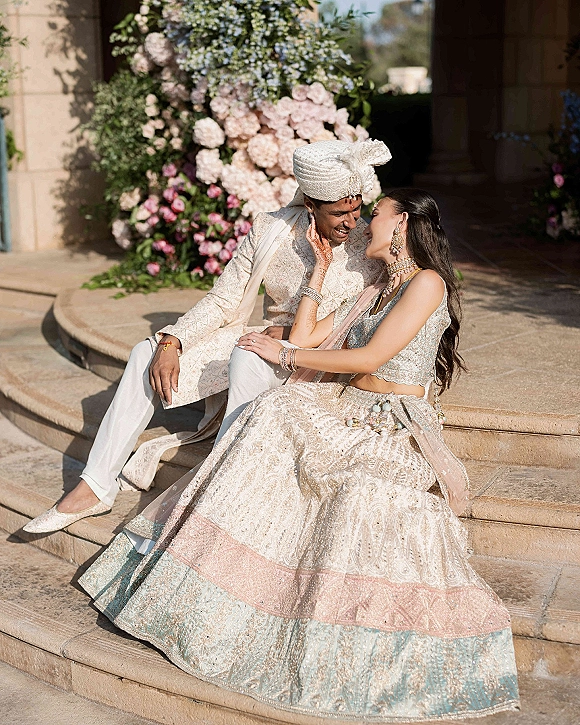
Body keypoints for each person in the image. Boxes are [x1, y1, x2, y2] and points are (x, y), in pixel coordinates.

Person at [78, 188, 519, 722]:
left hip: (390, 426)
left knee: (355, 488)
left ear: (401, 223)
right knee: (272, 413)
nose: (364, 225)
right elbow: (313, 336)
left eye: (374, 215)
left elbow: (373, 355)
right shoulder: (378, 287)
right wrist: (319, 271)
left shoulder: (426, 283)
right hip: (346, 407)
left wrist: (285, 351)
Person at [24, 139, 390, 534]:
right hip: (260, 341)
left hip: (314, 359)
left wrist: (287, 334)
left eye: (356, 209)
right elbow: (223, 300)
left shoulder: (367, 246)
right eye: (339, 213)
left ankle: (221, 491)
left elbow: (361, 320)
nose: (352, 222)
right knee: (144, 353)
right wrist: (172, 341)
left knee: (246, 357)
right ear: (311, 205)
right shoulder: (272, 230)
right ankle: (94, 487)